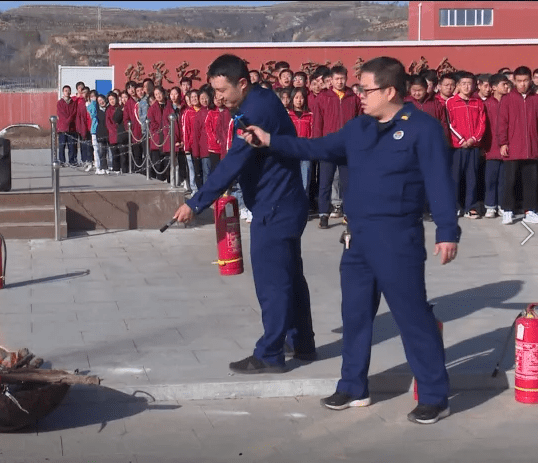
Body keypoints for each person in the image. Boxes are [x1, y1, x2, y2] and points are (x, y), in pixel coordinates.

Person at [243, 56, 459, 425]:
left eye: (366, 88)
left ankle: (436, 397)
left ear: (390, 91)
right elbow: (316, 147)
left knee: (412, 317)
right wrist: (269, 140)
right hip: (357, 240)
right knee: (355, 315)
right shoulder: (358, 128)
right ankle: (353, 386)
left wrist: (446, 232)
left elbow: (440, 182)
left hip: (398, 240)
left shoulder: (422, 129)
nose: (360, 94)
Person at [172, 53, 316, 374]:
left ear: (242, 82)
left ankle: (270, 353)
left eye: (222, 91)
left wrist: (196, 203)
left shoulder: (257, 111)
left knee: (272, 282)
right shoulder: (258, 100)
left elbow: (234, 161)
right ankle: (302, 341)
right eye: (214, 92)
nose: (218, 98)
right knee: (290, 276)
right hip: (285, 202)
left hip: (275, 207)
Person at [313, 65, 360, 228]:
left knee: (348, 183)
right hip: (328, 146)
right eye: (336, 79)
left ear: (346, 79)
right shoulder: (323, 97)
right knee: (325, 182)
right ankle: (324, 215)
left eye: (342, 79)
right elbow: (317, 123)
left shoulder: (353, 98)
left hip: (347, 147)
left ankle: (349, 214)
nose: (340, 82)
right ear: (331, 80)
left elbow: (359, 122)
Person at [497, 66, 538, 225]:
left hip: (532, 148)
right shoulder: (507, 99)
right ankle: (508, 210)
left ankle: (530, 211)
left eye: (526, 81)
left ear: (531, 80)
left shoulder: (535, 99)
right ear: (514, 81)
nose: (522, 84)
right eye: (519, 81)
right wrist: (503, 143)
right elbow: (502, 123)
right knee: (510, 181)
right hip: (512, 147)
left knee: (531, 182)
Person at [446, 71, 486, 219]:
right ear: (458, 86)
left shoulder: (478, 102)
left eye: (470, 83)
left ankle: (471, 207)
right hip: (457, 147)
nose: (467, 86)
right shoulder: (450, 102)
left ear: (475, 85)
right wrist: (461, 140)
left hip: (474, 146)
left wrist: (474, 139)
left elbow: (483, 123)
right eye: (463, 84)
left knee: (472, 177)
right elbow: (449, 124)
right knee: (455, 177)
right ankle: (455, 206)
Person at [481, 74, 509, 218]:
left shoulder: (510, 102)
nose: (507, 87)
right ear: (493, 87)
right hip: (490, 147)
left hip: (507, 147)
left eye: (507, 84)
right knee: (490, 179)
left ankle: (503, 206)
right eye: (503, 84)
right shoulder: (486, 104)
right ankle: (490, 206)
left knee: (504, 179)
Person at [288, 87, 313, 196]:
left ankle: (303, 206)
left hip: (305, 152)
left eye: (301, 98)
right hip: (290, 151)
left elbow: (312, 134)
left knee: (305, 180)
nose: (299, 100)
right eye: (296, 97)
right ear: (292, 99)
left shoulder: (310, 116)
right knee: (291, 180)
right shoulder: (287, 116)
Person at [56, 85, 78, 166]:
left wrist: (70, 119)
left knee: (72, 145)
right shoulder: (60, 103)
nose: (67, 92)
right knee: (62, 145)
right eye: (66, 90)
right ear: (63, 92)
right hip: (62, 127)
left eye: (68, 90)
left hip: (72, 127)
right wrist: (66, 120)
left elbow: (74, 112)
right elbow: (61, 113)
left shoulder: (73, 102)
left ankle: (72, 160)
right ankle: (62, 161)